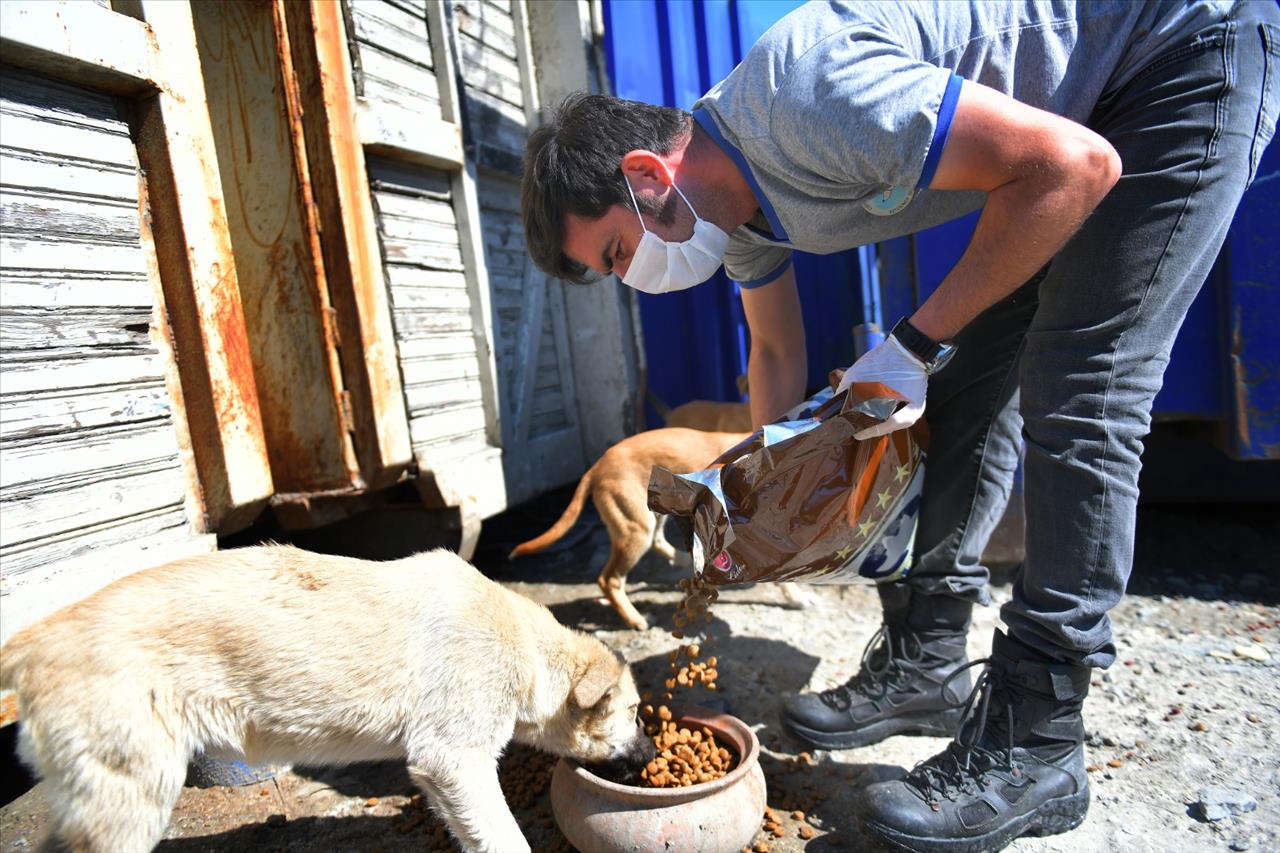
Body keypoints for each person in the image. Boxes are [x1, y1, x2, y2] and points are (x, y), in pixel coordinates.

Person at [520, 2, 1279, 850]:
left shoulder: (802, 100)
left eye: (620, 253)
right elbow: (774, 352)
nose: (637, 279)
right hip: (1075, 116)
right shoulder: (732, 220)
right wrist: (770, 501)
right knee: (960, 383)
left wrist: (912, 342)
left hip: (1176, 57)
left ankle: (1039, 735)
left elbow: (1072, 167)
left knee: (1082, 388)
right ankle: (928, 660)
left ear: (648, 175)